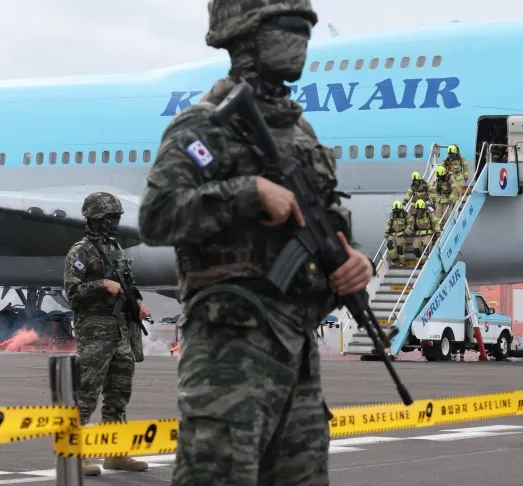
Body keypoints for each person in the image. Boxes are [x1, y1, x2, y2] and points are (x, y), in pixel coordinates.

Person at [136, 0, 375, 484]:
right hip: (230, 352)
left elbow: (327, 226)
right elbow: (157, 217)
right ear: (243, 34)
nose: (299, 41)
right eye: (286, 28)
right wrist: (247, 193)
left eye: (304, 29)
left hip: (298, 353)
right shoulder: (204, 127)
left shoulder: (302, 135)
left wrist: (353, 265)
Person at [63, 192, 150, 476]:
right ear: (95, 219)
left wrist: (138, 305)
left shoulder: (115, 248)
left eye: (117, 218)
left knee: (118, 393)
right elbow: (72, 293)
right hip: (95, 332)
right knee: (86, 393)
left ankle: (116, 453)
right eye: (110, 218)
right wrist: (101, 284)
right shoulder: (81, 251)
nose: (115, 223)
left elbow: (128, 285)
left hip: (120, 332)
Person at [384, 200, 412, 267]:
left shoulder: (406, 215)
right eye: (395, 211)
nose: (396, 212)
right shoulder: (392, 215)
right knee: (389, 244)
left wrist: (406, 232)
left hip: (401, 234)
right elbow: (388, 224)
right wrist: (386, 232)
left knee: (400, 248)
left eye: (397, 211)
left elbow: (410, 224)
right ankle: (394, 259)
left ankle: (402, 262)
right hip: (393, 234)